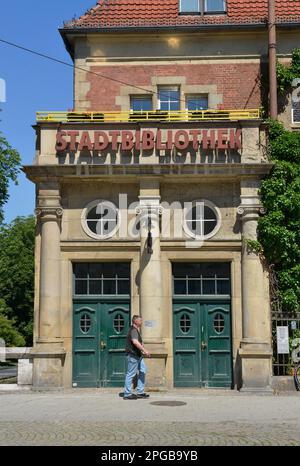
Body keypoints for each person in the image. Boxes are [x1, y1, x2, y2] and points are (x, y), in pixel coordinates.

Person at [123, 315, 151, 400]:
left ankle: (140, 392)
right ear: (135, 321)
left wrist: (142, 349)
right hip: (133, 355)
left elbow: (138, 342)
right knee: (130, 374)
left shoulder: (136, 330)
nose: (141, 322)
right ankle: (127, 394)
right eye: (140, 321)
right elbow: (135, 342)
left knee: (143, 370)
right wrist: (144, 350)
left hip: (138, 355)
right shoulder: (133, 330)